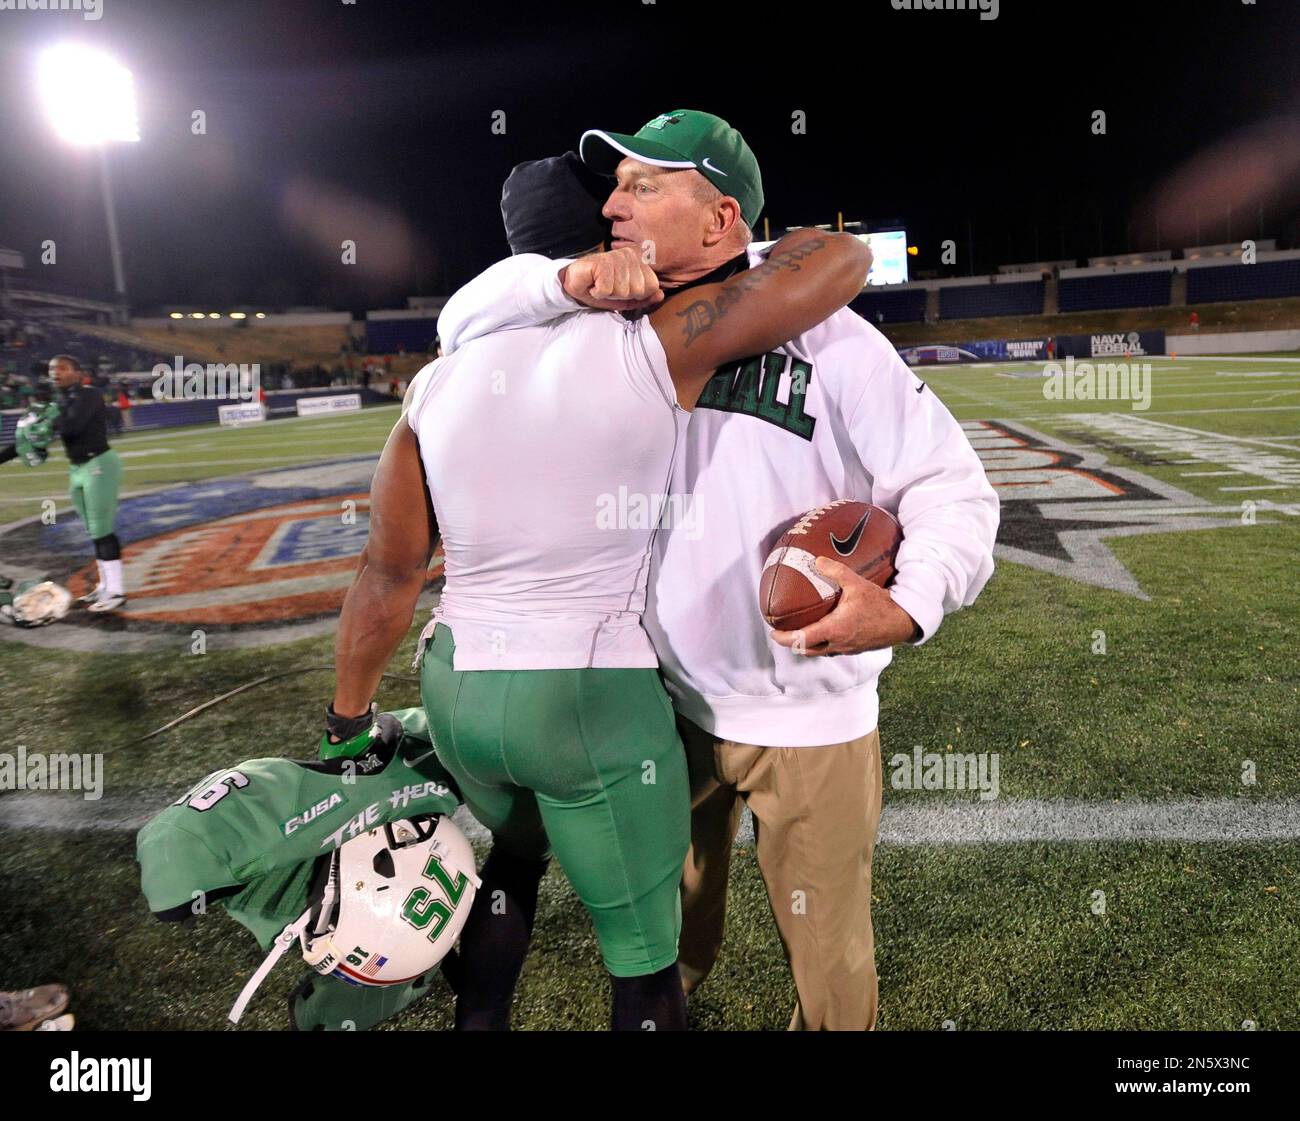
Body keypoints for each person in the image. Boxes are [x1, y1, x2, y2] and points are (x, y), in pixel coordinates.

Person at [436, 109, 999, 1031]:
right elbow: (467, 317)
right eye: (613, 185)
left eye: (642, 185)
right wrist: (560, 277)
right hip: (658, 710)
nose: (612, 205)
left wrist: (906, 605)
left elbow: (955, 489)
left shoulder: (835, 340)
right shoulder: (603, 329)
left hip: (810, 714)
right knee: (667, 947)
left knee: (830, 970)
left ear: (721, 217)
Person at [321, 151, 872, 1031]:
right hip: (584, 694)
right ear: (607, 233)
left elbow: (388, 576)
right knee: (646, 969)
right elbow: (838, 259)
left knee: (508, 871)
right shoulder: (649, 340)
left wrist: (346, 719)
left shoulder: (435, 382)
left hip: (458, 683)